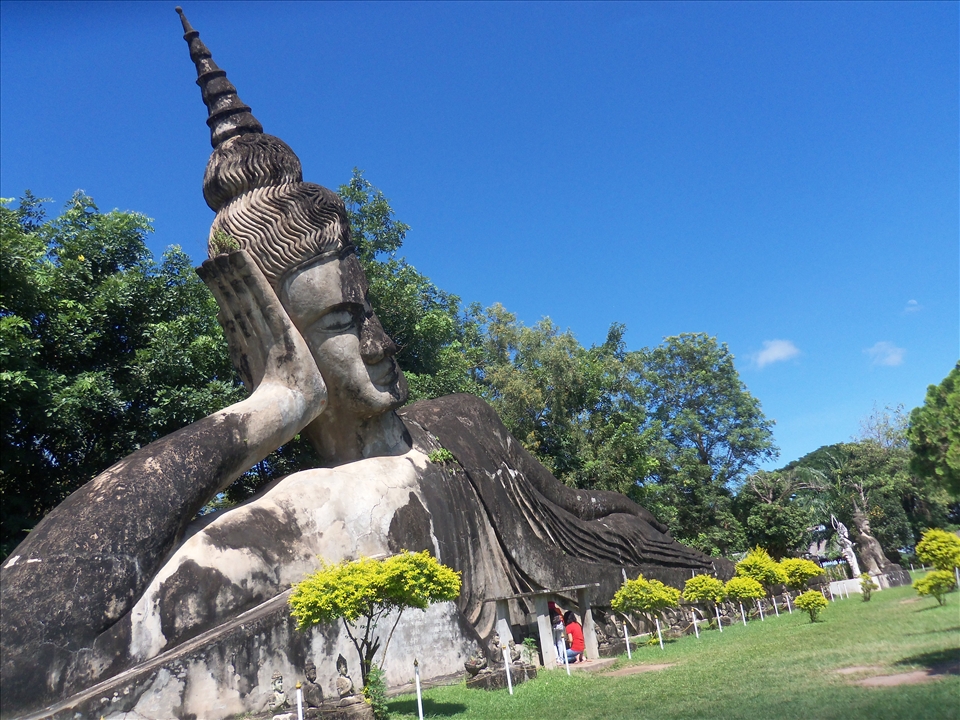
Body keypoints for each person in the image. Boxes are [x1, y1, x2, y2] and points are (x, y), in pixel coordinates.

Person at [0, 10, 725, 716]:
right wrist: (272, 402)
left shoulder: (459, 423)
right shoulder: (297, 515)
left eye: (370, 309)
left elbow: (591, 516)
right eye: (344, 323)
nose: (382, 342)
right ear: (270, 338)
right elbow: (20, 656)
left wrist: (701, 566)